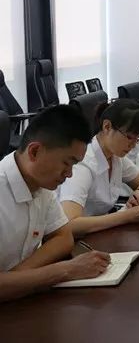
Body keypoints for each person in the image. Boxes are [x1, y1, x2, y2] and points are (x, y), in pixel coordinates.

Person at [0, 106, 111, 302]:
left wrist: (18, 278)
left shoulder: (41, 184)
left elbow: (63, 237)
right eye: (66, 163)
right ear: (35, 151)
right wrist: (65, 270)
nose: (69, 174)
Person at [59, 99, 139, 237]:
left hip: (102, 233)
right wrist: (126, 216)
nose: (133, 145)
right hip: (79, 240)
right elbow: (70, 224)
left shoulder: (115, 156)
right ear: (107, 127)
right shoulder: (84, 163)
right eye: (129, 137)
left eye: (137, 139)